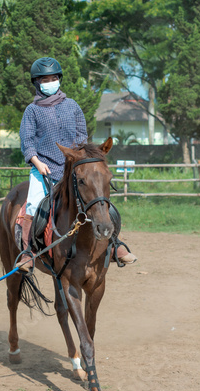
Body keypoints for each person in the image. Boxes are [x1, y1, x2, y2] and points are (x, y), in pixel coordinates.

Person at [16, 57, 137, 273]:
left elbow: (82, 136)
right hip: (44, 168)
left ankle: (113, 244)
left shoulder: (72, 106)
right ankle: (27, 252)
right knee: (34, 205)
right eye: (45, 79)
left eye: (54, 78)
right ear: (37, 82)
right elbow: (27, 143)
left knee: (98, 199)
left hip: (74, 169)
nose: (50, 82)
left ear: (59, 80)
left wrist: (82, 162)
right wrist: (37, 162)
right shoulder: (31, 111)